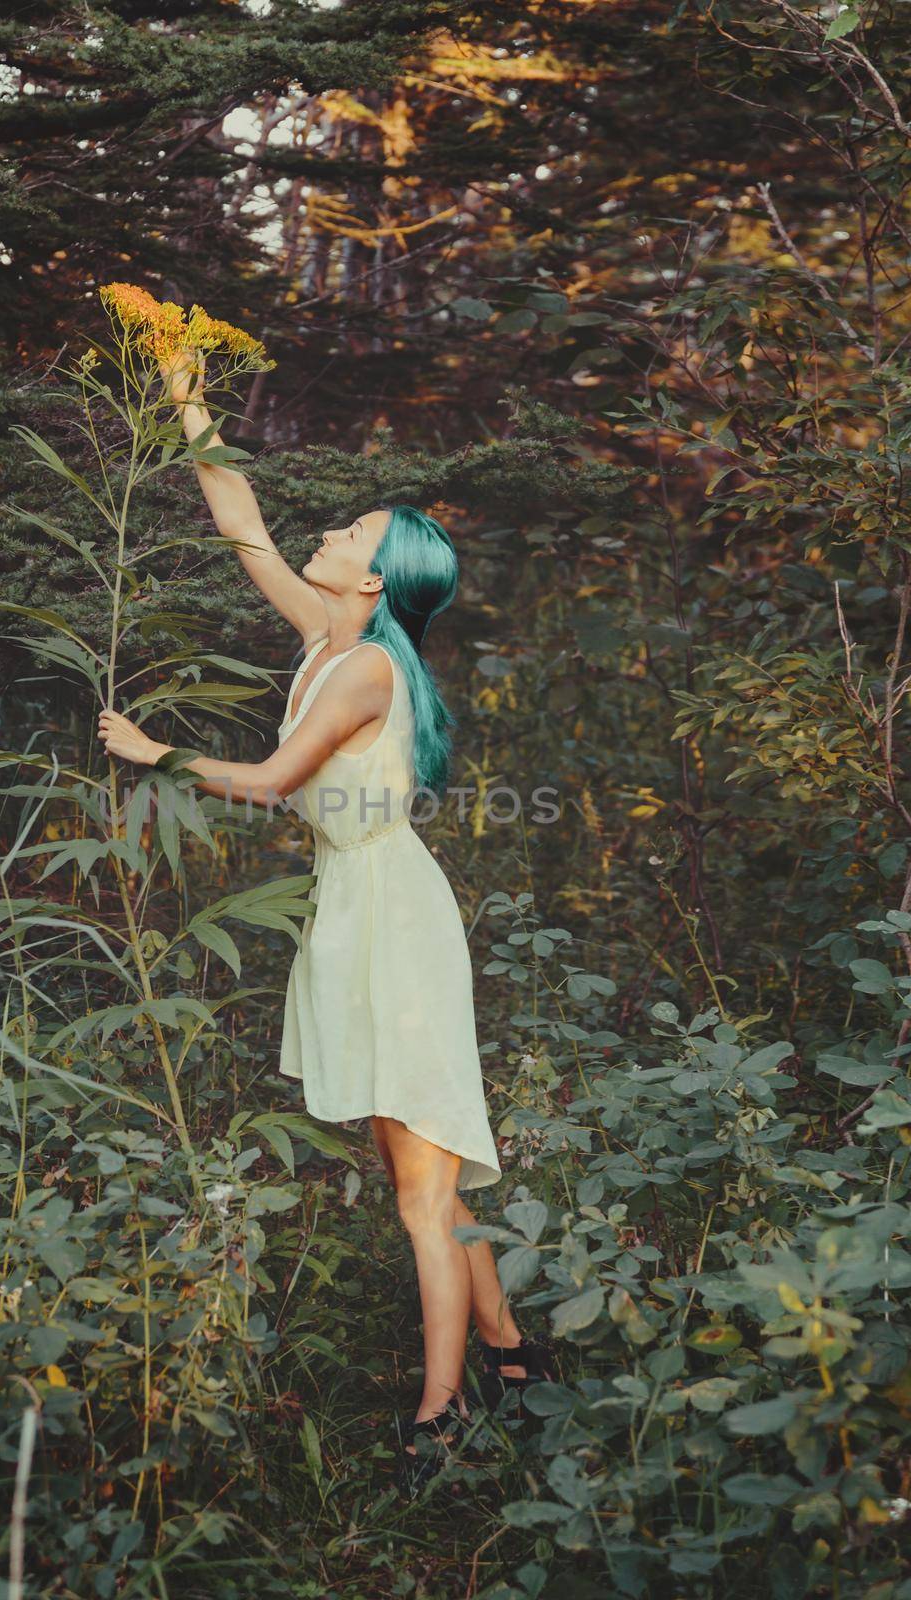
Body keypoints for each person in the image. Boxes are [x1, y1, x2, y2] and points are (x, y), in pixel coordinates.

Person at [96, 347, 554, 1492]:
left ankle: (440, 1417)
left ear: (372, 581)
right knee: (424, 1171)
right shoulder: (329, 635)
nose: (331, 533)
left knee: (422, 1195)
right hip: (354, 912)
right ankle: (510, 1354)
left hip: (392, 919)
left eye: (352, 533)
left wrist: (157, 752)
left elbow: (267, 778)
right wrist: (183, 392)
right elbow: (238, 515)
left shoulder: (359, 674)